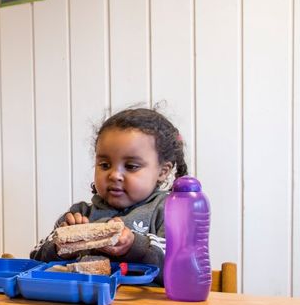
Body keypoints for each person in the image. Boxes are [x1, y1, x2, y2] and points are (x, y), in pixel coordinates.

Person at [30, 108, 188, 285]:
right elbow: (35, 260)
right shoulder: (80, 214)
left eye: (131, 166)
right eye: (105, 165)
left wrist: (135, 246)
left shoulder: (168, 211)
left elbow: (182, 268)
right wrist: (61, 246)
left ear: (163, 171)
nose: (114, 175)